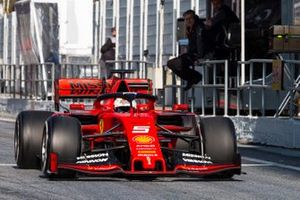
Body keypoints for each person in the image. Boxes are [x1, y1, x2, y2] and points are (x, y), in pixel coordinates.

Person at [167, 0, 239, 90]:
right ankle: (193, 78)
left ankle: (195, 77)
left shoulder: (199, 28)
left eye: (190, 19)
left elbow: (200, 43)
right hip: (194, 54)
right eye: (186, 19)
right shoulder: (191, 29)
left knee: (175, 63)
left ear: (194, 18)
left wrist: (199, 57)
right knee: (171, 64)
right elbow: (192, 45)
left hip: (200, 54)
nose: (188, 21)